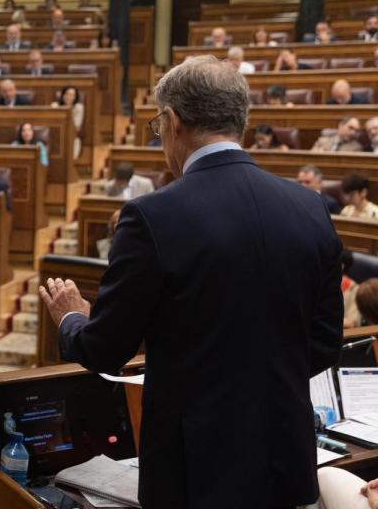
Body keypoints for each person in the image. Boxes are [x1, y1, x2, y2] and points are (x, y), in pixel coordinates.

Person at [37, 55, 343, 508]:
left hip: (195, 471)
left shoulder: (152, 216)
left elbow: (106, 348)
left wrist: (71, 319)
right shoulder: (310, 207)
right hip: (285, 458)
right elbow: (323, 343)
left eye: (159, 128)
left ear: (173, 121)